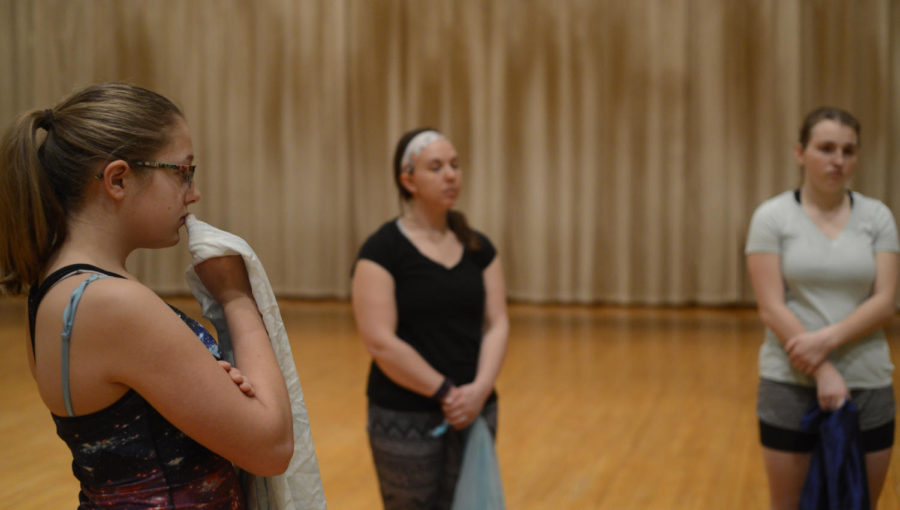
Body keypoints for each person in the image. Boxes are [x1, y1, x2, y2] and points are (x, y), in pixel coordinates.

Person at [0, 82, 293, 508]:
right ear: (118, 179)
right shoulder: (112, 304)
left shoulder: (52, 291)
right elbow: (272, 447)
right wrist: (236, 298)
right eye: (183, 171)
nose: (193, 193)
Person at [746, 107, 899, 509]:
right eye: (826, 148)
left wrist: (825, 341)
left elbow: (885, 302)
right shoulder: (772, 217)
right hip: (789, 385)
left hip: (869, 383)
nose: (838, 160)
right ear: (800, 153)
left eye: (849, 151)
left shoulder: (877, 216)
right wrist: (823, 369)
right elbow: (771, 307)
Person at [351, 128, 509, 509]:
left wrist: (479, 390)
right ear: (408, 180)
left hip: (475, 409)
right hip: (404, 414)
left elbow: (497, 323)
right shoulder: (382, 250)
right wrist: (446, 393)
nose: (451, 175)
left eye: (455, 165)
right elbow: (380, 341)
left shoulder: (478, 247)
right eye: (436, 167)